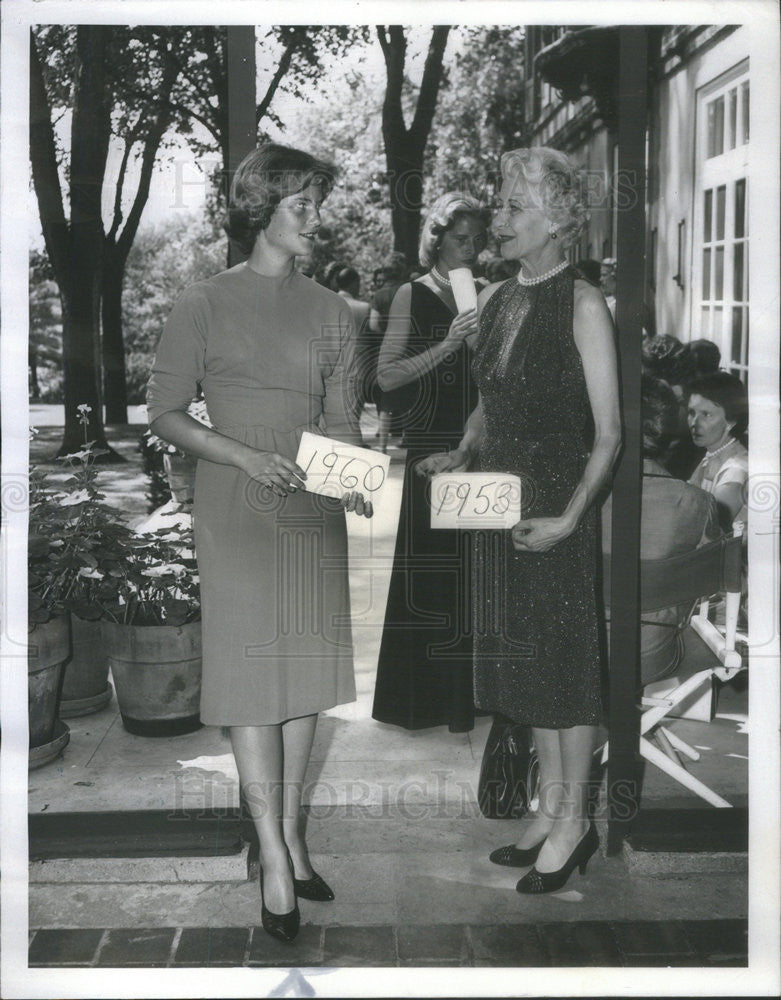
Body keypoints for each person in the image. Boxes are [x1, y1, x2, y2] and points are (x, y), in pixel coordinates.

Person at [146, 143, 373, 943]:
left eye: (318, 203)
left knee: (304, 678)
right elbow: (165, 413)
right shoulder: (201, 303)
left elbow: (344, 421)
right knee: (251, 681)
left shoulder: (333, 313)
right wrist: (242, 454)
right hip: (235, 507)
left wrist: (354, 478)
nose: (317, 218)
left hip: (311, 509)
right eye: (302, 205)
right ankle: (273, 854)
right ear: (259, 211)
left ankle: (293, 833)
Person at [420, 148, 621, 893]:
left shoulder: (582, 304)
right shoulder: (499, 299)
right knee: (528, 670)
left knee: (564, 673)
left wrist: (569, 521)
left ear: (557, 219)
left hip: (552, 512)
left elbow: (609, 435)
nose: (495, 221)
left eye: (510, 207)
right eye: (500, 205)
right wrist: (461, 447)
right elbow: (489, 400)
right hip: (499, 507)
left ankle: (574, 823)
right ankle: (551, 806)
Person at [371, 192, 490, 733]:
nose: (471, 249)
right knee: (431, 573)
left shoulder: (490, 295)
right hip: (427, 445)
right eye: (461, 238)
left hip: (479, 442)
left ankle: (473, 699)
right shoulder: (409, 295)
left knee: (476, 572)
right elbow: (386, 377)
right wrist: (447, 345)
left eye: (477, 240)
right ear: (436, 238)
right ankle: (420, 703)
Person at [602, 376, 721, 686]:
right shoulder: (698, 502)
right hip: (650, 659)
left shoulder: (577, 496)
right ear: (670, 434)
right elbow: (710, 584)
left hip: (578, 654)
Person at [686, 371, 748, 530]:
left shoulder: (736, 470)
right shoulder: (712, 453)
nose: (695, 422)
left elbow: (710, 531)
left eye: (706, 415)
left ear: (731, 420)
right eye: (691, 413)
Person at [369, 253, 409, 450]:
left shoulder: (380, 296)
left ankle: (383, 445)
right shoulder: (411, 291)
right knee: (412, 393)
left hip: (386, 350)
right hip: (410, 348)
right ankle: (408, 439)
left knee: (386, 400)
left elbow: (373, 324)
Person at [334, 266, 372, 424]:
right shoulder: (363, 308)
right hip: (358, 363)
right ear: (354, 283)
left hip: (331, 363)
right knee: (354, 407)